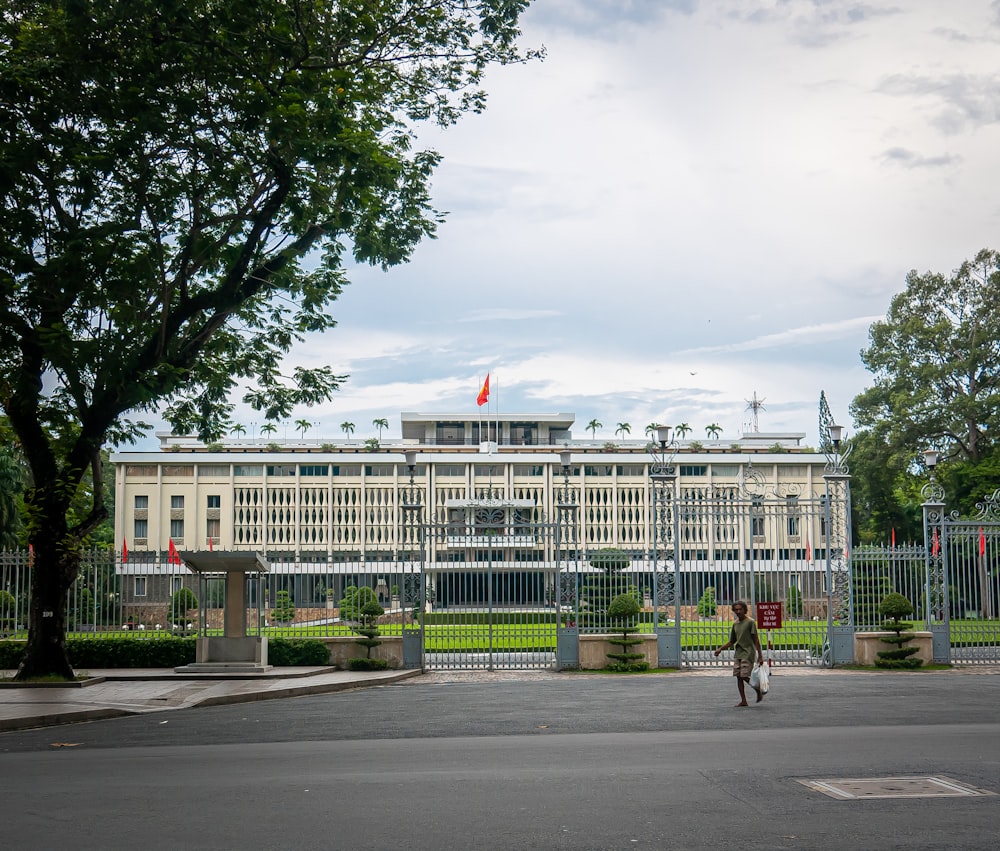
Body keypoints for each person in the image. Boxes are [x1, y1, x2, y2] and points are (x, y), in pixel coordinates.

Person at [713, 600, 765, 707]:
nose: (738, 611)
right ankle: (743, 700)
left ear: (744, 610)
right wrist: (720, 649)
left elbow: (756, 640)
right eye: (736, 609)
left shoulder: (750, 622)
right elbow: (732, 641)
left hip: (748, 652)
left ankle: (758, 689)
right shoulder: (735, 624)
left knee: (744, 675)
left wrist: (760, 656)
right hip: (739, 653)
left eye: (740, 609)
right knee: (738, 676)